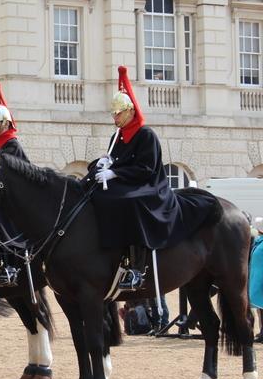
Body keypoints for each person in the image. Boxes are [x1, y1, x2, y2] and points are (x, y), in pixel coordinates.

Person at [83, 66, 218, 290]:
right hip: (126, 181)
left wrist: (115, 172)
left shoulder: (146, 135)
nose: (114, 117)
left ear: (130, 111)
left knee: (129, 202)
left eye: (118, 113)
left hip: (148, 185)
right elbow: (115, 158)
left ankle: (136, 266)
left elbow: (146, 168)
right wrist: (102, 163)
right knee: (95, 193)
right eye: (113, 113)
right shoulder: (117, 136)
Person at [0, 80, 27, 286]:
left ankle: (9, 264)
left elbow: (12, 174)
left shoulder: (12, 144)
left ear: (4, 123)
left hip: (13, 196)